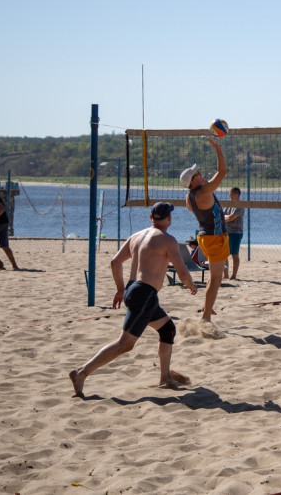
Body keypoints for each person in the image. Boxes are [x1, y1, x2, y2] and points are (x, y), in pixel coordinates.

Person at [68, 202, 198, 397]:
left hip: (134, 290)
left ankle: (165, 378)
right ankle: (81, 372)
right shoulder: (168, 240)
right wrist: (191, 285)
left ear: (150, 217)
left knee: (167, 329)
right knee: (125, 344)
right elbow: (182, 271)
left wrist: (120, 289)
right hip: (144, 294)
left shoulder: (136, 236)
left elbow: (115, 262)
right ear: (169, 219)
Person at [181, 137, 229, 321]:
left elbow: (199, 209)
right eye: (197, 174)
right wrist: (217, 148)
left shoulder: (190, 196)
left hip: (205, 237)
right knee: (216, 279)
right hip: (214, 238)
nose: (201, 173)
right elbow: (222, 171)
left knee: (213, 276)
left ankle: (207, 306)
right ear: (193, 182)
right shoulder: (204, 192)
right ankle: (206, 316)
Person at [223, 187, 245, 280]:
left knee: (235, 255)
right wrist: (225, 217)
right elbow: (222, 215)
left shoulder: (240, 205)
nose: (229, 195)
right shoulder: (229, 204)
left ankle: (234, 276)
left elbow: (230, 218)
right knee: (224, 255)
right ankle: (226, 275)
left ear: (236, 194)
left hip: (236, 233)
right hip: (226, 232)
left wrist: (225, 217)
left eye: (230, 193)